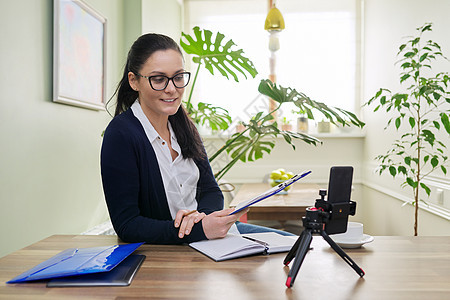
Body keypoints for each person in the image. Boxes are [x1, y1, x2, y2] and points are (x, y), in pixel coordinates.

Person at [101, 33, 291, 245]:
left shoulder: (183, 125)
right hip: (171, 249)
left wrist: (205, 218)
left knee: (297, 242)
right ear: (134, 81)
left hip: (210, 239)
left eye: (179, 77)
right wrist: (198, 230)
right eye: (158, 79)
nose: (172, 88)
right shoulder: (121, 134)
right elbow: (127, 225)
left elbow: (211, 190)